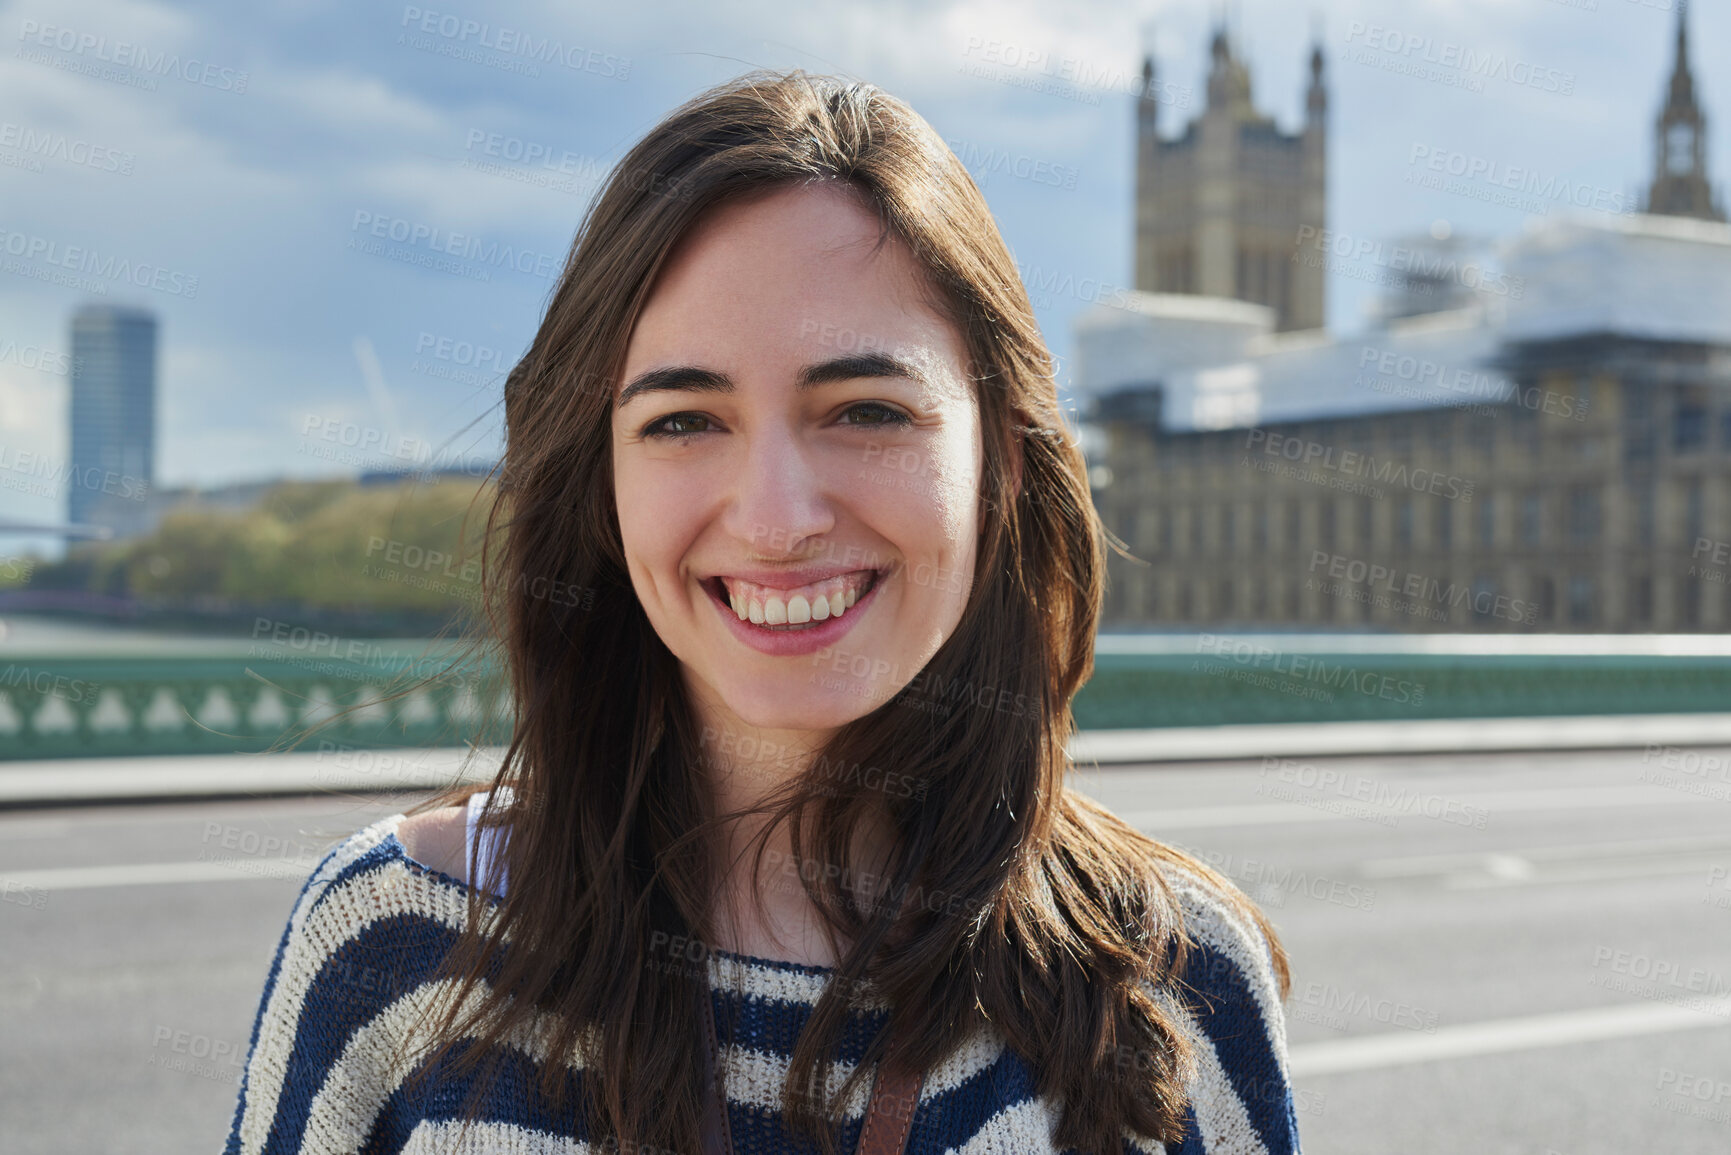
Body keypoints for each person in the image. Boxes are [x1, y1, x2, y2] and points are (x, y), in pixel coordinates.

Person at [223, 69, 1302, 1155]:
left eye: (867, 411)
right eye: (685, 421)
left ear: (1003, 464)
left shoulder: (1173, 986)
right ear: (602, 478)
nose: (778, 519)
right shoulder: (392, 946)